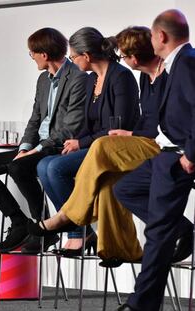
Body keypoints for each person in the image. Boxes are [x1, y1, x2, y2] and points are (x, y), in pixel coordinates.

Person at [27, 26, 168, 263]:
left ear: (87, 56)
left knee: (59, 166)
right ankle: (117, 249)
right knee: (54, 168)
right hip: (118, 142)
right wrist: (77, 142)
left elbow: (126, 125)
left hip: (131, 145)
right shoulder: (97, 79)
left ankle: (71, 219)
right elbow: (89, 122)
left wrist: (86, 141)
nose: (71, 61)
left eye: (73, 57)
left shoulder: (122, 77)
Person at [0, 28, 88, 254]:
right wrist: (25, 147)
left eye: (32, 53)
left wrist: (38, 149)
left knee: (18, 167)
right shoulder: (43, 80)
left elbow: (70, 127)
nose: (31, 57)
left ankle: (42, 228)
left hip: (58, 148)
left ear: (43, 54)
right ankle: (21, 222)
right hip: (37, 147)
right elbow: (35, 119)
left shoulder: (78, 78)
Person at [113, 10, 195, 311]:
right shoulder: (179, 63)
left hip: (178, 157)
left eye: (151, 34)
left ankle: (141, 305)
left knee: (158, 232)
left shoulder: (186, 62)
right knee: (125, 188)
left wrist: (191, 154)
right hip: (166, 153)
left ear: (160, 36)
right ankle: (181, 228)